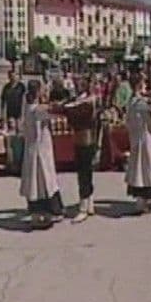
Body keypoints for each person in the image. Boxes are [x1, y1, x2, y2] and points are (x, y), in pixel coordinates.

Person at [52, 75, 98, 223]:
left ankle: (83, 207)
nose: (78, 86)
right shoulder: (77, 100)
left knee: (84, 172)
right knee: (85, 170)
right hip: (79, 138)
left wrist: (65, 109)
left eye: (82, 83)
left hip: (86, 138)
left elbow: (75, 113)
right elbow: (65, 107)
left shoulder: (89, 101)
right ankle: (89, 202)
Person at [19, 80, 65, 222]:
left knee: (38, 182)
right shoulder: (37, 110)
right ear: (38, 91)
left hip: (34, 149)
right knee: (45, 182)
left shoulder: (27, 106)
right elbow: (56, 113)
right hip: (40, 152)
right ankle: (51, 211)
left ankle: (40, 210)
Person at [125, 72, 151, 214]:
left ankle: (143, 200)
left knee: (140, 169)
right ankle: (144, 200)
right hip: (145, 140)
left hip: (138, 139)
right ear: (139, 84)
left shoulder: (132, 101)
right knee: (146, 169)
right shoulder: (139, 102)